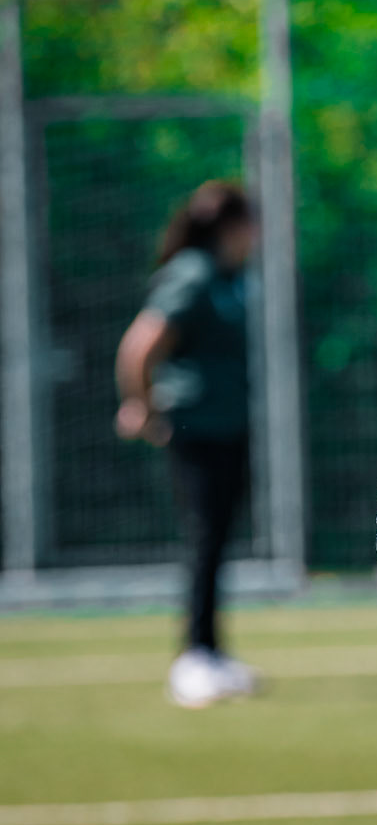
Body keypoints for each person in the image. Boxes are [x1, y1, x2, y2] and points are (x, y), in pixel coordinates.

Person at [114, 180, 259, 708]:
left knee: (216, 542)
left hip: (228, 428)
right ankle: (193, 657)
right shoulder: (194, 273)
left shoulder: (228, 277)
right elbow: (141, 345)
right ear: (233, 227)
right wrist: (142, 404)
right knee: (204, 542)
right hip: (196, 430)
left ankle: (212, 652)